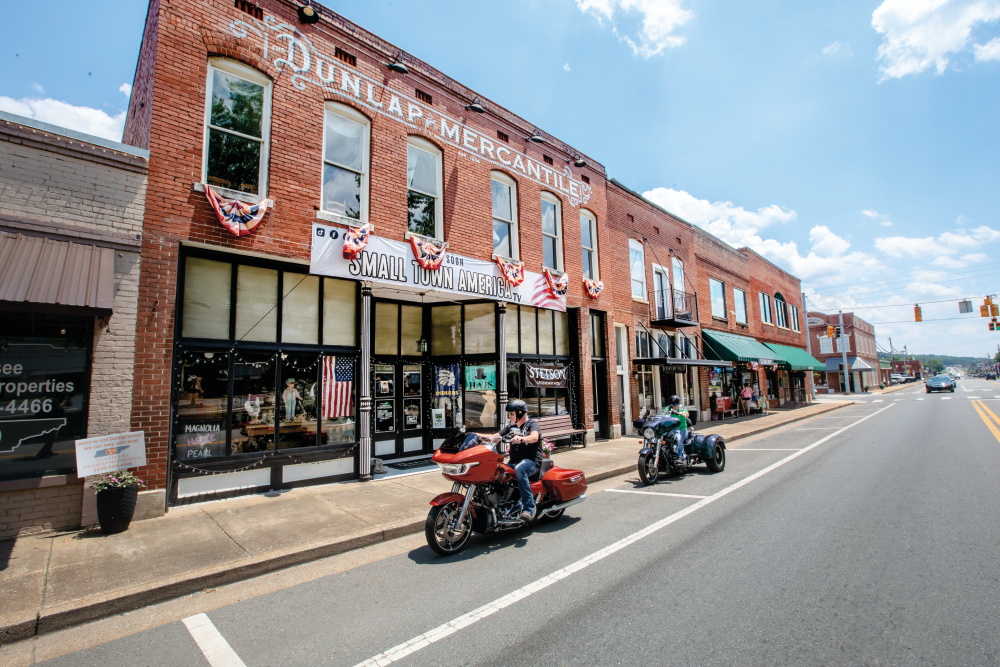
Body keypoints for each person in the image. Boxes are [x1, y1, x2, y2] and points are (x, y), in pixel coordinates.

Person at [493, 399, 543, 521]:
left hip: (531, 462)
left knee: (520, 468)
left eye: (512, 414)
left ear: (520, 413)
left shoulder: (532, 424)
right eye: (509, 414)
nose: (509, 416)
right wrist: (477, 436)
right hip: (513, 462)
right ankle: (501, 504)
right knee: (496, 472)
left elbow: (534, 437)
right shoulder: (511, 426)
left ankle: (529, 508)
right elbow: (495, 436)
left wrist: (522, 438)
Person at [667, 395, 688, 466]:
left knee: (678, 439)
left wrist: (683, 413)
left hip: (681, 428)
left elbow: (687, 414)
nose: (674, 406)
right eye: (672, 405)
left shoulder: (682, 408)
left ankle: (681, 457)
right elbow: (664, 415)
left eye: (675, 405)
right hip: (671, 429)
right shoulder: (668, 408)